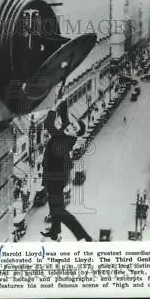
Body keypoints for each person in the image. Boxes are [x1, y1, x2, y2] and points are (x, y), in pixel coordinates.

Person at [40, 99, 94, 242]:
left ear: (75, 135)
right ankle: (55, 231)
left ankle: (84, 236)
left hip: (56, 179)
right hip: (56, 176)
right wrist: (62, 100)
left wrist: (53, 107)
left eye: (74, 129)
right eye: (73, 125)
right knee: (54, 206)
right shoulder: (66, 133)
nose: (71, 126)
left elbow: (48, 125)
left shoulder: (62, 138)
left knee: (60, 211)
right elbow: (65, 117)